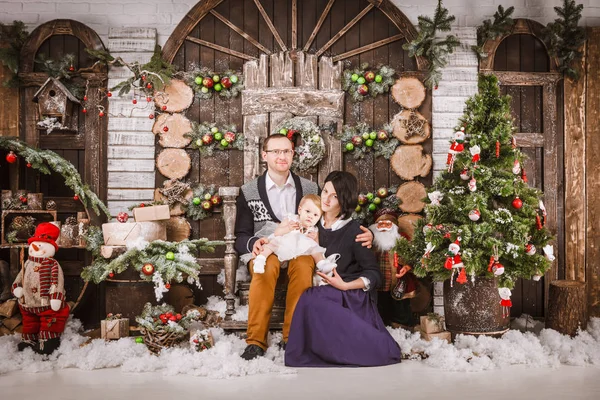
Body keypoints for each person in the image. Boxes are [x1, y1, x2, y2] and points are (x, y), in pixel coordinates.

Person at [235, 136, 373, 361]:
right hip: (269, 247)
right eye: (276, 151)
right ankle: (255, 341)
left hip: (301, 249)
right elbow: (240, 235)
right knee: (264, 268)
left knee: (303, 266)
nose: (282, 156)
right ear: (264, 155)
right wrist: (254, 244)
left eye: (287, 151)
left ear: (293, 154)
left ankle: (292, 336)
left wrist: (368, 232)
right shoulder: (249, 191)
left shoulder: (309, 188)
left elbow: (335, 216)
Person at [285, 171, 402, 367]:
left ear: (344, 200)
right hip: (324, 292)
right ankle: (315, 350)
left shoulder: (356, 231)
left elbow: (374, 275)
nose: (326, 199)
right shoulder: (312, 223)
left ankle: (343, 348)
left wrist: (346, 285)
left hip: (349, 295)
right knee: (312, 297)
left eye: (335, 196)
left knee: (313, 298)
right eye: (325, 192)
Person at [252, 194, 338, 277]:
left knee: (315, 250)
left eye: (315, 215)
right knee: (272, 243)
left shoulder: (314, 229)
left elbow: (317, 245)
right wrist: (288, 228)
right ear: (300, 210)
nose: (310, 216)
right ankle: (260, 259)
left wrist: (315, 238)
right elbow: (277, 232)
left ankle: (322, 264)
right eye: (308, 211)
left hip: (300, 251)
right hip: (284, 244)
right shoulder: (291, 219)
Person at [369, 209, 418, 329]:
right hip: (378, 280)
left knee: (400, 305)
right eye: (381, 224)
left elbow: (412, 256)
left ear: (394, 226)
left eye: (388, 224)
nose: (384, 227)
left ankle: (402, 325)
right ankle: (381, 325)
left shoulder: (401, 238)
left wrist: (407, 267)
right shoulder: (371, 239)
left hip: (397, 280)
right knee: (380, 303)